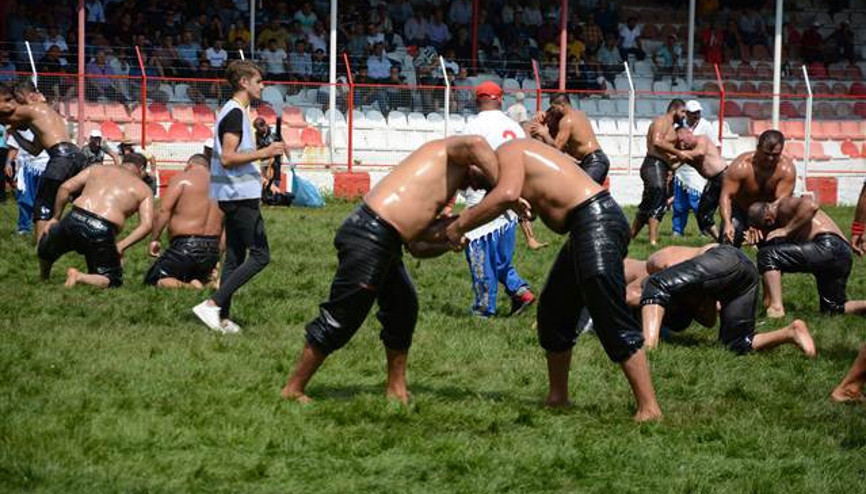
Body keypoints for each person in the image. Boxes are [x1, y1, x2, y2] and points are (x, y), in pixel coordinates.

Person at [444, 138, 662, 422]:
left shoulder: (508, 152)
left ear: (477, 160)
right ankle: (558, 398)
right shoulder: (512, 169)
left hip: (597, 220)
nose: (469, 187)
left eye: (468, 177)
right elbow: (514, 197)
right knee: (553, 312)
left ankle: (649, 408)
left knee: (608, 312)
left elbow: (505, 195)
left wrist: (458, 227)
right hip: (585, 226)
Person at [281, 135, 501, 404]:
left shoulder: (442, 189)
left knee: (402, 309)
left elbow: (417, 247)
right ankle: (293, 389)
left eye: (480, 187)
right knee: (343, 317)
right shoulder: (448, 153)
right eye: (480, 178)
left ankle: (395, 389)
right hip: (368, 233)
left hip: (385, 239)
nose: (475, 185)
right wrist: (503, 188)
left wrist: (451, 239)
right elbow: (476, 143)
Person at [192, 61, 285, 334]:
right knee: (261, 256)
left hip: (234, 194)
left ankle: (221, 317)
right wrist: (266, 152)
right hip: (238, 195)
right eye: (258, 81)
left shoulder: (237, 112)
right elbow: (229, 157)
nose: (262, 86)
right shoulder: (234, 114)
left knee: (234, 256)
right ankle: (212, 304)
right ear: (244, 82)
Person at [639, 244, 815, 357]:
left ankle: (649, 350)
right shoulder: (695, 284)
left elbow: (657, 284)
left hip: (723, 257)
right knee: (736, 343)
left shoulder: (656, 262)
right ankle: (791, 332)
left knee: (655, 284)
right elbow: (709, 321)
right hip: (744, 273)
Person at [454, 81, 537, 318]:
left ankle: (483, 308)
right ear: (500, 100)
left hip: (482, 199)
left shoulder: (472, 126)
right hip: (511, 198)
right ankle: (520, 292)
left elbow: (462, 163)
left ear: (477, 100)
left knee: (480, 256)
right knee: (501, 258)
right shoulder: (514, 127)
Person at [37, 152, 154, 289]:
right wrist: (122, 245)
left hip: (74, 217)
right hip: (101, 229)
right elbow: (147, 225)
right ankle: (79, 277)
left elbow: (65, 188)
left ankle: (44, 277)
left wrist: (55, 218)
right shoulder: (144, 189)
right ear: (141, 168)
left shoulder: (96, 169)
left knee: (46, 247)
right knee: (112, 279)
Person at [747, 196, 866, 318]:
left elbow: (811, 205)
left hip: (828, 245)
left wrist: (786, 230)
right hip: (842, 253)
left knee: (767, 254)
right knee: (833, 309)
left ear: (769, 219)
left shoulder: (782, 205)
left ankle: (776, 308)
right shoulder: (780, 218)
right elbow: (772, 266)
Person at [0, 80, 87, 240]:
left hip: (61, 157)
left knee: (43, 204)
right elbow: (34, 150)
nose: (17, 103)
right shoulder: (45, 115)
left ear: (31, 96)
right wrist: (15, 133)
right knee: (81, 201)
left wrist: (6, 105)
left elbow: (7, 111)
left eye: (18, 98)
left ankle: (42, 246)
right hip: (75, 155)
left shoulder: (35, 108)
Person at [146, 154, 223, 289]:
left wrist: (155, 239)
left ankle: (191, 287)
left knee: (154, 279)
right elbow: (227, 225)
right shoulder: (222, 185)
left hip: (185, 246)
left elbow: (163, 211)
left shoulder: (181, 179)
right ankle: (205, 282)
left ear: (189, 165)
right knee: (195, 274)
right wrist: (218, 256)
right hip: (212, 248)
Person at [719, 130, 795, 248]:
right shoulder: (741, 166)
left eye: (775, 155)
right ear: (758, 148)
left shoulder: (786, 170)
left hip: (769, 214)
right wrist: (727, 223)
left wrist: (759, 223)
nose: (770, 158)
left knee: (777, 243)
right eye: (766, 153)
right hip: (740, 209)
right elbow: (726, 196)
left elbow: (780, 203)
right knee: (730, 236)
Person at [630, 99, 688, 246]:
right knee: (657, 197)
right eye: (683, 111)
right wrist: (677, 152)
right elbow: (657, 142)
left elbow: (668, 156)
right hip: (653, 164)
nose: (684, 115)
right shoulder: (662, 121)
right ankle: (653, 241)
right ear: (674, 109)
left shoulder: (671, 127)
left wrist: (681, 160)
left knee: (649, 203)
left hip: (660, 166)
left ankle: (630, 236)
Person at [528, 93, 610, 184]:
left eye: (554, 107)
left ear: (562, 105)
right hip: (597, 159)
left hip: (594, 161)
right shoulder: (580, 114)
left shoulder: (566, 121)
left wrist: (545, 134)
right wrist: (545, 114)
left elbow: (556, 149)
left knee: (581, 189)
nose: (553, 110)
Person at [672, 126, 727, 239]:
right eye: (679, 143)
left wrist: (680, 153)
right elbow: (674, 165)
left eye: (682, 140)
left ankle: (744, 238)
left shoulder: (702, 139)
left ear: (689, 133)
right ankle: (719, 239)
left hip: (725, 177)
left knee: (733, 210)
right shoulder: (687, 153)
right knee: (703, 214)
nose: (682, 145)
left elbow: (700, 153)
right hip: (713, 181)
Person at [8, 128, 49, 236]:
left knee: (45, 201)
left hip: (45, 166)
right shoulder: (18, 126)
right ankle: (24, 228)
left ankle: (46, 228)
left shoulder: (45, 124)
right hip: (25, 167)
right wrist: (8, 163)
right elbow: (13, 147)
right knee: (25, 199)